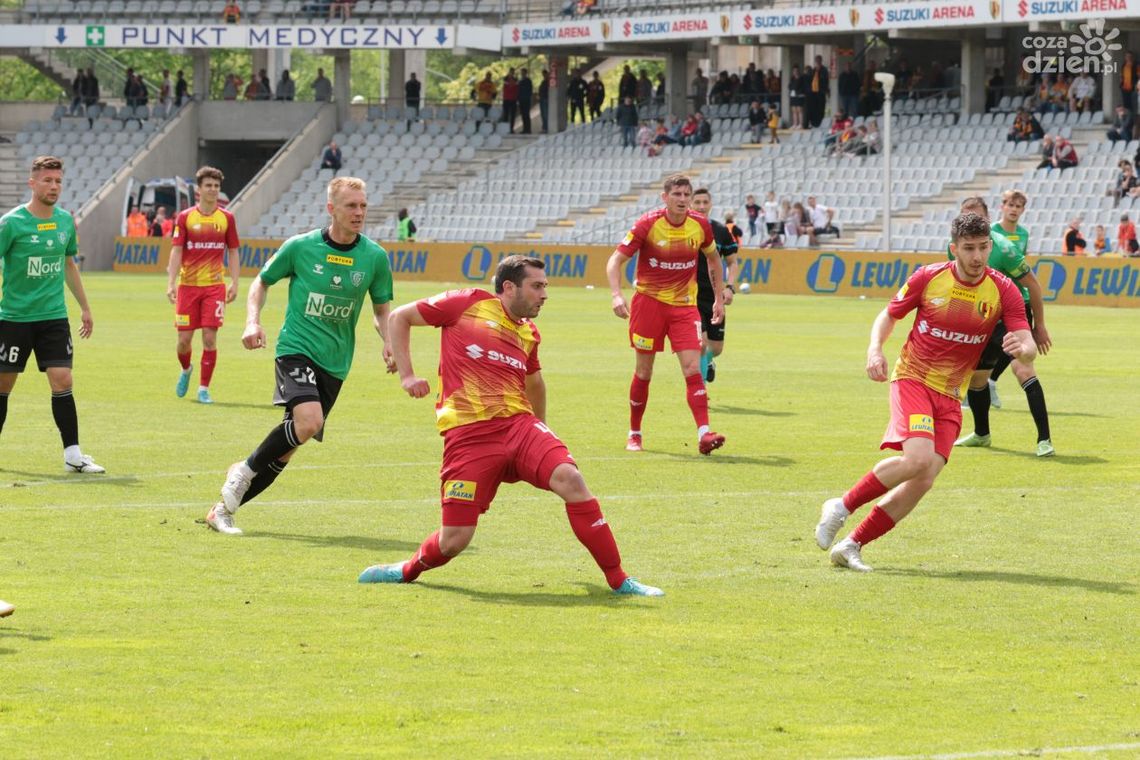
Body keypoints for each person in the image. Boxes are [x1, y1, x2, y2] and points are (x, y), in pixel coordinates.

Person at [356, 256, 663, 597]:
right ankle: (407, 570)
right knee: (455, 540)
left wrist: (541, 434)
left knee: (571, 479)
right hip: (468, 436)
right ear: (508, 287)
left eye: (545, 286)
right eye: (537, 286)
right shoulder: (466, 303)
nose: (544, 294)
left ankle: (619, 580)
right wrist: (408, 374)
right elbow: (400, 318)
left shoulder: (529, 332)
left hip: (519, 426)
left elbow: (535, 384)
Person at [814, 212, 1034, 572]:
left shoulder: (1002, 289)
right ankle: (840, 506)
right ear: (954, 249)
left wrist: (1022, 350)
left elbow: (1025, 341)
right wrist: (874, 349)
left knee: (925, 477)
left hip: (950, 393)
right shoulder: (930, 277)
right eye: (969, 249)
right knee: (917, 459)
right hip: (914, 378)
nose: (977, 257)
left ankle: (851, 544)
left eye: (983, 247)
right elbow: (889, 314)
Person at [205, 176, 394, 535]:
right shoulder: (300, 247)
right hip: (296, 348)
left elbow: (382, 309)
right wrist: (251, 321)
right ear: (331, 209)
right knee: (309, 423)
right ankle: (241, 472)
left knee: (288, 448)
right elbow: (261, 281)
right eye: (351, 206)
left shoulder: (374, 257)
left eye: (363, 205)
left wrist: (389, 341)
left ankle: (222, 511)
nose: (359, 212)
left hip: (336, 362)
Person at [605, 174, 726, 455]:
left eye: (687, 195)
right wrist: (615, 294)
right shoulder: (648, 224)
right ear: (665, 197)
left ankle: (704, 434)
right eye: (677, 195)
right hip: (649, 305)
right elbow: (616, 260)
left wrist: (718, 299)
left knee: (693, 368)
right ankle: (635, 432)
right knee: (644, 371)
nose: (683, 200)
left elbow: (714, 260)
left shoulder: (700, 225)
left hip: (684, 307)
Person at [0, 156, 104, 474]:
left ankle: (73, 454)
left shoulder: (64, 221)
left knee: (62, 380)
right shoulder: (11, 223)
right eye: (47, 180)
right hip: (14, 318)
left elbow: (69, 264)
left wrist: (85, 307)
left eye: (58, 181)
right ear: (33, 183)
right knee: (4, 384)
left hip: (53, 318)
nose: (54, 186)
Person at [953, 194, 1054, 457]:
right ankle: (982, 434)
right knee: (977, 378)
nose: (970, 220)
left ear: (986, 219)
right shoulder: (955, 246)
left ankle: (1044, 440)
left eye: (975, 216)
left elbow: (1032, 284)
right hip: (982, 316)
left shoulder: (1004, 248)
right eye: (965, 215)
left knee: (1023, 368)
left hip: (1013, 313)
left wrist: (1039, 325)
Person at [166, 167, 240, 405]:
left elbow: (234, 252)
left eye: (217, 186)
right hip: (187, 286)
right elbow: (176, 251)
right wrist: (171, 282)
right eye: (208, 185)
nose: (213, 190)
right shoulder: (185, 217)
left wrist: (235, 282)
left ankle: (203, 389)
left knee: (210, 338)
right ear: (199, 190)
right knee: (184, 341)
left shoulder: (226, 218)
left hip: (214, 287)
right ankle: (186, 370)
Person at [689, 188, 739, 385]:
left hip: (715, 296)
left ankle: (709, 363)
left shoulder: (720, 231)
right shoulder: (683, 228)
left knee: (715, 349)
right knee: (699, 344)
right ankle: (700, 392)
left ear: (710, 204)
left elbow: (732, 262)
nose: (701, 206)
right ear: (691, 203)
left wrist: (730, 287)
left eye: (705, 202)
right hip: (691, 296)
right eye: (697, 202)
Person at [517, 68, 533, 135]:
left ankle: (528, 129)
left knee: (526, 115)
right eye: (521, 73)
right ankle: (524, 129)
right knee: (523, 115)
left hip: (526, 100)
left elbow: (530, 90)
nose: (522, 74)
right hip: (521, 100)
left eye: (523, 72)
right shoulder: (520, 81)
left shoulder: (528, 81)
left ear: (525, 73)